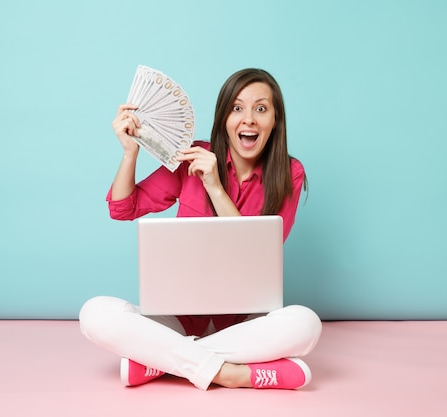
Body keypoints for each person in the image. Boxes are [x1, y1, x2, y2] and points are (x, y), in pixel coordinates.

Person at [79, 68, 322, 391]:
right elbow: (123, 208)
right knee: (94, 313)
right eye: (237, 108)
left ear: (275, 120)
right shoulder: (191, 157)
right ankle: (232, 373)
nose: (248, 119)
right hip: (179, 317)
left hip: (244, 322)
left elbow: (253, 257)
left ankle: (162, 362)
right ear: (223, 118)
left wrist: (215, 187)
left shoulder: (289, 172)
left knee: (305, 324)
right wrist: (129, 152)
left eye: (260, 109)